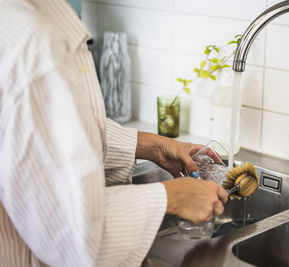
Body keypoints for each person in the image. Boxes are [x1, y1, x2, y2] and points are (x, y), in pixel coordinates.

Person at [0, 0, 228, 266]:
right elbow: (74, 237)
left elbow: (40, 137)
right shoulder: (35, 42)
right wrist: (169, 196)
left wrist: (149, 146)